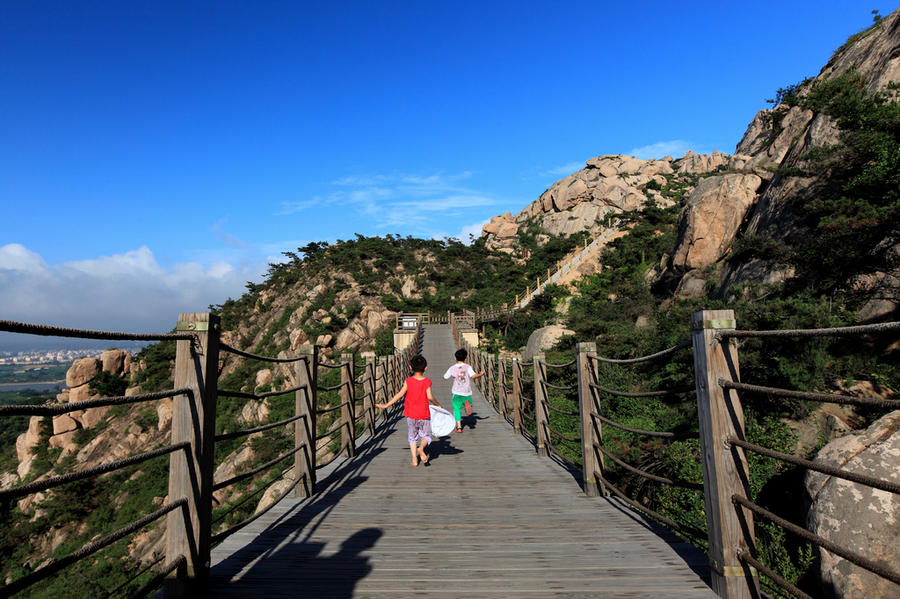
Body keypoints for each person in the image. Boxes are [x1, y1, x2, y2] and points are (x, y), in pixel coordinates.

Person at [375, 355, 443, 467]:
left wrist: (387, 404)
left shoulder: (408, 381)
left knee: (412, 437)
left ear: (410, 367)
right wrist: (438, 405)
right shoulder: (426, 381)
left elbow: (400, 394)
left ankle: (414, 460)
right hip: (424, 415)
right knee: (426, 436)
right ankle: (421, 448)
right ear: (425, 368)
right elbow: (430, 396)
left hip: (411, 415)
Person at [443, 348, 484, 433]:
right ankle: (466, 407)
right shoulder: (467, 367)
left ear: (455, 358)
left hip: (456, 391)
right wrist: (481, 374)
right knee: (468, 403)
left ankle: (459, 427)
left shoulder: (452, 368)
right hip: (466, 391)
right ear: (465, 358)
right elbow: (473, 376)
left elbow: (445, 377)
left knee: (456, 408)